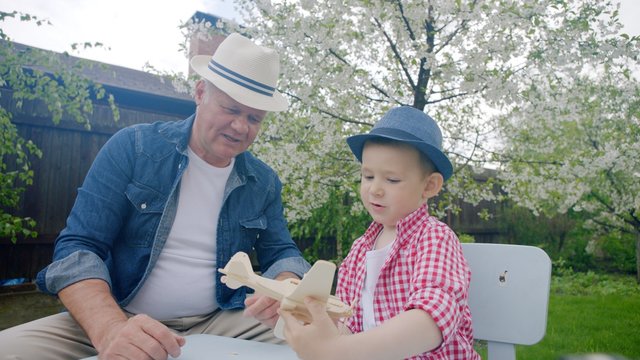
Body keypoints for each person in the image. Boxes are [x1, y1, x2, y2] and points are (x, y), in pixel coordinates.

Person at [0, 33, 310, 360]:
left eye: (253, 118)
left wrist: (287, 286)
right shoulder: (132, 147)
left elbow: (281, 251)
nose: (240, 126)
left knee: (320, 344)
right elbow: (79, 247)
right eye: (231, 108)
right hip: (121, 314)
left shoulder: (263, 181)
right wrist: (110, 330)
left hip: (222, 318)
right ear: (201, 92)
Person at [280, 106, 480, 360]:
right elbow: (348, 323)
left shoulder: (434, 238)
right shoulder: (359, 250)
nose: (375, 189)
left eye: (392, 180)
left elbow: (432, 317)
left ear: (429, 185)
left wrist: (339, 351)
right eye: (368, 176)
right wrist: (314, 322)